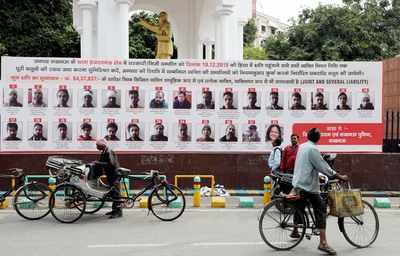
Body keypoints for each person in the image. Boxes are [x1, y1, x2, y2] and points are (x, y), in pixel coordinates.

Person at [291, 128, 348, 254]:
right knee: (321, 208)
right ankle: (323, 243)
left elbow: (310, 163)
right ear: (318, 138)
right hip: (307, 184)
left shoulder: (303, 146)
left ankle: (295, 230)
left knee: (299, 206)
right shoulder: (313, 149)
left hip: (298, 181)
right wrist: (339, 176)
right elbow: (324, 167)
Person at [92, 139, 122, 218]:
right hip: (110, 174)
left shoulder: (109, 151)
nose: (96, 147)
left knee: (116, 193)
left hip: (114, 174)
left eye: (97, 145)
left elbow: (111, 164)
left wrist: (98, 163)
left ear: (102, 145)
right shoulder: (104, 151)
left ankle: (118, 212)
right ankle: (114, 210)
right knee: (113, 193)